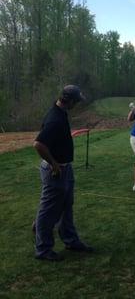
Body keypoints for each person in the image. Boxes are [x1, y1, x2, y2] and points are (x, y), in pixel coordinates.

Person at [33, 85, 94, 261]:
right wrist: (54, 164)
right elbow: (38, 144)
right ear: (70, 100)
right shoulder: (55, 119)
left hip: (65, 168)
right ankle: (43, 250)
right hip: (56, 171)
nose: (77, 104)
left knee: (66, 206)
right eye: (77, 101)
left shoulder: (60, 112)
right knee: (48, 211)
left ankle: (70, 240)